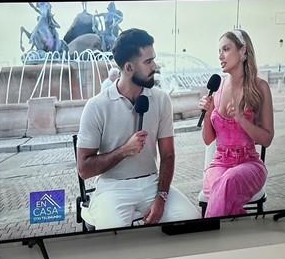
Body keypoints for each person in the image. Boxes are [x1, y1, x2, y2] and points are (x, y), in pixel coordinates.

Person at [75, 27, 199, 228]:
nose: (155, 66)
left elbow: (168, 155)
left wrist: (161, 197)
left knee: (191, 220)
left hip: (152, 184)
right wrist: (124, 151)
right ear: (129, 68)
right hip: (112, 188)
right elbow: (84, 169)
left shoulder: (161, 99)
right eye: (148, 62)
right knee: (113, 233)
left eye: (153, 60)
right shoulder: (96, 106)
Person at [199, 29, 274, 218]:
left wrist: (241, 119)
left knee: (226, 183)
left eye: (226, 49)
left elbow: (266, 139)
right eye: (219, 51)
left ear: (243, 51)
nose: (220, 56)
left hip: (249, 164)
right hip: (219, 163)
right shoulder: (217, 89)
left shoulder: (260, 88)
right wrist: (208, 114)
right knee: (223, 185)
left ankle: (208, 232)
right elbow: (208, 140)